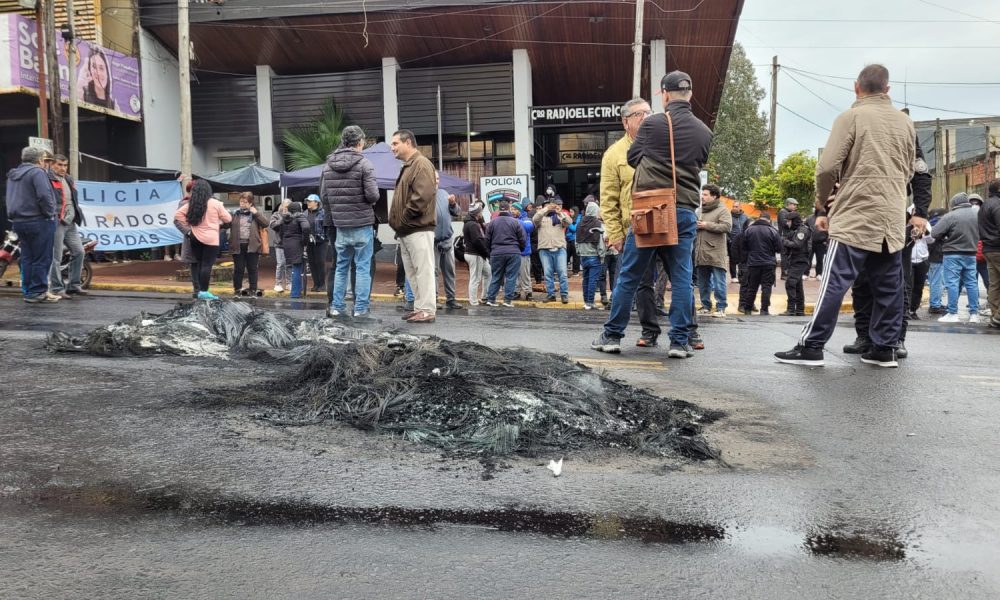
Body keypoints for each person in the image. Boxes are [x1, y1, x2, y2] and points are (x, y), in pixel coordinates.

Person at [775, 64, 918, 368]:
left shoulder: (851, 117)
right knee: (891, 285)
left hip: (856, 212)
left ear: (856, 87)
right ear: (887, 89)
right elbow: (909, 169)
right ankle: (884, 348)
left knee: (835, 281)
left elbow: (827, 167)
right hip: (891, 216)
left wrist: (822, 205)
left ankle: (811, 346)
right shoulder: (906, 123)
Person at [591, 73, 713, 358]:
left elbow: (634, 158)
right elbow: (698, 161)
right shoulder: (704, 131)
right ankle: (680, 342)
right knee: (682, 278)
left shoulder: (653, 124)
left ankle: (612, 336)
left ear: (664, 95)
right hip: (684, 210)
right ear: (691, 94)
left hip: (650, 210)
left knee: (630, 277)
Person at [842, 131, 932, 357]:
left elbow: (921, 175)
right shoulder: (857, 126)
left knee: (896, 281)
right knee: (862, 281)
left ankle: (895, 339)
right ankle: (864, 335)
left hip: (893, 215)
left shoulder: (903, 130)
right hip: (860, 214)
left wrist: (920, 212)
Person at [388, 129, 438, 324]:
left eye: (395, 143)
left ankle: (427, 310)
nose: (392, 148)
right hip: (408, 229)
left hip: (417, 228)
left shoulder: (421, 164)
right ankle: (420, 308)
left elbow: (421, 197)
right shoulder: (410, 165)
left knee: (423, 271)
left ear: (408, 142)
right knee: (414, 272)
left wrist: (403, 220)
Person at [5, 147, 59, 303]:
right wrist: (50, 213)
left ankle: (29, 291)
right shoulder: (37, 172)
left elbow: (9, 198)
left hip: (19, 222)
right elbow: (44, 195)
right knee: (42, 257)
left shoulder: (13, 174)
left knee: (27, 257)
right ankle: (37, 291)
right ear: (39, 160)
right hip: (39, 221)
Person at [174, 180, 232, 300]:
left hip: (194, 237)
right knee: (207, 265)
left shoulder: (191, 204)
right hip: (211, 238)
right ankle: (204, 292)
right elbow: (228, 218)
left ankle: (199, 290)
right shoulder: (216, 203)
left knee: (199, 264)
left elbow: (177, 216)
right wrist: (217, 222)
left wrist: (191, 225)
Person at [934, 192, 981, 323]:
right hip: (971, 253)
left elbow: (934, 232)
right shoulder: (977, 215)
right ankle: (974, 314)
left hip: (952, 254)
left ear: (954, 204)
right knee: (972, 283)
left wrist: (946, 237)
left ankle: (953, 313)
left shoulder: (951, 216)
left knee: (952, 283)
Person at [47, 154, 88, 298]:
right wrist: (54, 216)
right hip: (57, 222)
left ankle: (73, 285)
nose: (63, 168)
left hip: (70, 222)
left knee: (79, 252)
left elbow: (72, 200)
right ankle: (57, 288)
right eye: (59, 165)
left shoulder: (68, 178)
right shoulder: (47, 179)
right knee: (55, 257)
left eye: (65, 165)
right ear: (52, 165)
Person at [694, 183, 732, 317]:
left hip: (716, 252)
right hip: (701, 251)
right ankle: (705, 306)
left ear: (714, 196)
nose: (702, 197)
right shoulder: (699, 210)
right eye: (702, 194)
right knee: (703, 282)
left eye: (705, 194)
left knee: (718, 281)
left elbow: (727, 227)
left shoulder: (723, 210)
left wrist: (706, 225)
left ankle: (721, 308)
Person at [484, 200, 525, 307]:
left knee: (496, 276)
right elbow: (522, 238)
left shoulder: (492, 222)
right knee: (511, 277)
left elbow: (487, 240)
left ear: (498, 209)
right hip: (513, 252)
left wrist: (490, 252)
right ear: (508, 209)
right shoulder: (515, 222)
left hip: (496, 252)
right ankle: (507, 300)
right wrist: (519, 249)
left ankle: (491, 299)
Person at [739, 212, 782, 315]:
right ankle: (764, 309)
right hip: (768, 263)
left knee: (752, 287)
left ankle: (748, 308)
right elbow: (779, 248)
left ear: (759, 218)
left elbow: (744, 246)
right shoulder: (773, 231)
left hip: (753, 263)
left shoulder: (749, 230)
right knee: (766, 287)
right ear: (768, 220)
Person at [226, 191, 268, 297]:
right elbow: (225, 224)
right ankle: (237, 289)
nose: (242, 204)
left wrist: (256, 213)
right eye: (241, 201)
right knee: (239, 269)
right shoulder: (235, 213)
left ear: (250, 203)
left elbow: (265, 223)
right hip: (237, 245)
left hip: (252, 246)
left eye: (245, 202)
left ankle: (253, 289)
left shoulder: (255, 214)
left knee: (252, 268)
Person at [532, 195, 572, 303]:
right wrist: (545, 209)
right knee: (548, 273)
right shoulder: (541, 218)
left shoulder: (559, 217)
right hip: (545, 249)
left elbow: (569, 222)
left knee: (562, 273)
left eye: (551, 206)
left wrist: (560, 212)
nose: (550, 208)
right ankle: (551, 294)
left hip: (559, 248)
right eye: (548, 206)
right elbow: (534, 219)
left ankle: (564, 294)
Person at [433, 172, 462, 310]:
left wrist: (453, 204)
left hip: (447, 240)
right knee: (433, 271)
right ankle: (434, 298)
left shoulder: (444, 193)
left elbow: (457, 212)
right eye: (434, 178)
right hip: (433, 241)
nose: (437, 181)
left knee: (450, 271)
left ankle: (451, 299)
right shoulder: (424, 195)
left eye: (438, 178)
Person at [272, 201, 311, 299]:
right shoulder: (299, 216)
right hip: (297, 244)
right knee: (297, 268)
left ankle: (295, 290)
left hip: (286, 244)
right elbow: (306, 227)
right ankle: (295, 292)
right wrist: (304, 240)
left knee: (292, 267)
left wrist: (284, 239)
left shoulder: (284, 218)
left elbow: (280, 231)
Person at [780, 210, 810, 316]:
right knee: (797, 285)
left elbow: (797, 244)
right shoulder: (796, 230)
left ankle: (791, 309)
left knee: (790, 283)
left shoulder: (802, 230)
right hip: (795, 260)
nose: (787, 223)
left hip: (800, 261)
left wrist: (784, 241)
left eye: (789, 221)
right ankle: (800, 310)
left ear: (794, 221)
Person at [979, 179, 1000, 328]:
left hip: (988, 248)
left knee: (995, 284)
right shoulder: (997, 205)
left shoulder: (985, 204)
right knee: (995, 284)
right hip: (998, 248)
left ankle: (995, 316)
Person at [576, 201, 604, 310]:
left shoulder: (580, 223)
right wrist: (601, 255)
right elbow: (600, 242)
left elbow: (576, 241)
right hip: (594, 256)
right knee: (593, 280)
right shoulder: (597, 224)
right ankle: (590, 302)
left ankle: (586, 302)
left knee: (586, 279)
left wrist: (579, 252)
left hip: (583, 256)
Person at [463, 202, 491, 305]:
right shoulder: (473, 224)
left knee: (488, 273)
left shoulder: (471, 223)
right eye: (480, 211)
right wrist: (486, 252)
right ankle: (473, 301)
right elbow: (477, 240)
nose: (482, 213)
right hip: (475, 254)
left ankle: (485, 296)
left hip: (476, 254)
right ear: (477, 213)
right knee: (475, 279)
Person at [302, 194, 328, 293]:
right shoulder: (304, 214)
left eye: (310, 201)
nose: (308, 203)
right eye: (307, 201)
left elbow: (327, 227)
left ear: (316, 202)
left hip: (321, 241)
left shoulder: (323, 213)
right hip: (309, 241)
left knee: (320, 262)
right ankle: (316, 284)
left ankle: (322, 284)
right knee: (312, 263)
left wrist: (325, 237)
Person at [512, 202, 535, 301]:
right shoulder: (512, 219)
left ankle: (528, 292)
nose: (513, 211)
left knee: (524, 273)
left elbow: (529, 227)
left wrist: (515, 222)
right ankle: (516, 291)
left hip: (524, 251)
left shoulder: (527, 219)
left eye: (515, 209)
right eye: (512, 209)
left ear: (520, 210)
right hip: (513, 251)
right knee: (515, 273)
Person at [270, 199, 291, 292]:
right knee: (281, 263)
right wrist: (282, 219)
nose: (286, 209)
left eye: (288, 207)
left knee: (289, 264)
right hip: (279, 243)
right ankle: (278, 283)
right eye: (285, 206)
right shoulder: (276, 214)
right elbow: (273, 225)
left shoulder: (292, 215)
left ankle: (289, 283)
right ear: (282, 206)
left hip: (289, 243)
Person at [776, 197, 798, 279]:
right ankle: (784, 274)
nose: (795, 206)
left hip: (790, 237)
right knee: (785, 256)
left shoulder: (790, 212)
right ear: (788, 204)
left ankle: (787, 272)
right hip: (784, 237)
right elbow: (786, 224)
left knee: (789, 256)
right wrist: (793, 218)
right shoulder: (783, 212)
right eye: (794, 205)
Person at [728, 200, 749, 283]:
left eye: (736, 206)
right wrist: (729, 240)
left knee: (743, 258)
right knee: (732, 259)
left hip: (743, 241)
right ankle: (733, 276)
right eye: (733, 206)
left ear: (740, 207)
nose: (734, 208)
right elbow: (726, 229)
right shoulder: (729, 216)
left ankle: (742, 274)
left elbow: (747, 229)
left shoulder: (745, 217)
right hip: (732, 241)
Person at [566, 206, 580, 275]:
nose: (570, 213)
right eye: (570, 212)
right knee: (566, 255)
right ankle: (564, 270)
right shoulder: (570, 218)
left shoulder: (579, 219)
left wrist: (569, 223)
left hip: (575, 239)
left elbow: (574, 229)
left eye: (571, 212)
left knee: (576, 256)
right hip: (568, 239)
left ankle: (576, 271)